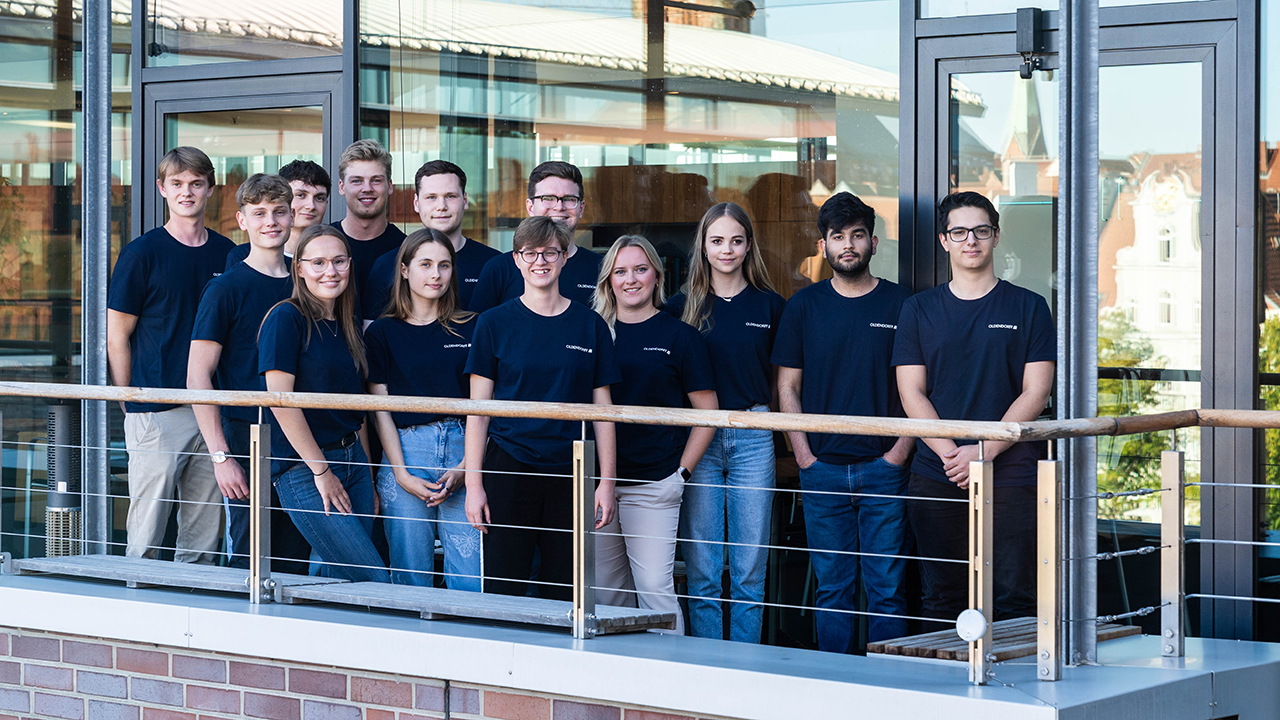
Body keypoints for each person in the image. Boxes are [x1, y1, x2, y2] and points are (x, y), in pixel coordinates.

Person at [892, 191, 1055, 627]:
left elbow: (1035, 393)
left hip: (1012, 470)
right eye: (960, 232)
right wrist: (953, 455)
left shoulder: (1029, 307)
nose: (971, 241)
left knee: (1015, 594)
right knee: (942, 596)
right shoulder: (918, 309)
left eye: (981, 231)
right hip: (938, 471)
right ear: (944, 240)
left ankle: (1018, 692)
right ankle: (945, 693)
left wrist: (982, 450)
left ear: (996, 237)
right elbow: (912, 393)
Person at [772, 192, 913, 651]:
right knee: (833, 590)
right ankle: (835, 687)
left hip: (884, 468)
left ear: (873, 243)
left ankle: (892, 691)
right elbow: (787, 386)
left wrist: (898, 453)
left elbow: (915, 388)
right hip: (823, 469)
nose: (847, 245)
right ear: (824, 246)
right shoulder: (804, 306)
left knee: (887, 591)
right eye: (838, 237)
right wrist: (804, 454)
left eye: (856, 235)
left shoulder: (902, 305)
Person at [463, 216, 620, 600]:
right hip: (508, 464)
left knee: (567, 590)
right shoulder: (493, 324)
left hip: (572, 468)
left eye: (550, 252)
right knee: (504, 583)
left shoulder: (590, 325)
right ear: (516, 259)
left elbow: (604, 411)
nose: (540, 261)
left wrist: (607, 482)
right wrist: (473, 484)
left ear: (565, 257)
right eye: (530, 253)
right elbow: (477, 411)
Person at [107, 146, 234, 564]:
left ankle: (192, 617)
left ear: (210, 189)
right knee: (147, 531)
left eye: (196, 183)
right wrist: (130, 400)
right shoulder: (142, 254)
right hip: (157, 410)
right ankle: (133, 617)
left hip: (212, 408)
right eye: (177, 184)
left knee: (203, 534)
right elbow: (117, 335)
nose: (187, 192)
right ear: (162, 188)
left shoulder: (227, 254)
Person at [667, 202, 785, 643]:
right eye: (717, 241)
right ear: (703, 245)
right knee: (703, 564)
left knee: (750, 563)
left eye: (736, 240)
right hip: (699, 439)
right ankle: (708, 664)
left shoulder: (772, 305)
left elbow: (782, 380)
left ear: (749, 245)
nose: (727, 250)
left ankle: (748, 664)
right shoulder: (681, 307)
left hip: (754, 434)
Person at [592, 235, 718, 634]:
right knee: (607, 593)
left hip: (654, 484)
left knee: (654, 590)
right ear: (609, 279)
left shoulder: (680, 337)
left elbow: (708, 413)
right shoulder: (592, 332)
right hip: (598, 486)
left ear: (657, 276)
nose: (631, 279)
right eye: (621, 271)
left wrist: (680, 474)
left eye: (640, 269)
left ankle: (670, 682)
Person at [189, 173, 312, 574]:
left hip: (306, 434)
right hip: (249, 437)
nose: (270, 221)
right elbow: (198, 376)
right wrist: (221, 456)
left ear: (292, 216)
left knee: (298, 554)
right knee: (249, 554)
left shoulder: (309, 278)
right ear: (242, 221)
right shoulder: (226, 288)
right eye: (258, 213)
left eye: (279, 211)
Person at [258, 224, 389, 583]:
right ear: (299, 268)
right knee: (371, 578)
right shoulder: (287, 318)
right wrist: (321, 471)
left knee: (334, 578)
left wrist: (367, 471)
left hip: (354, 463)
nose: (330, 271)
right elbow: (280, 402)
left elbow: (354, 407)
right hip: (304, 469)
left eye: (339, 261)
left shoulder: (346, 324)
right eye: (318, 262)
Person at [365, 229, 482, 590]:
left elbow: (483, 406)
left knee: (470, 571)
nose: (436, 275)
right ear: (404, 270)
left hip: (464, 448)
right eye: (426, 264)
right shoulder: (382, 332)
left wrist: (467, 468)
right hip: (405, 448)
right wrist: (399, 473)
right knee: (409, 572)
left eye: (444, 266)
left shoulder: (473, 326)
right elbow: (379, 408)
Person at [362, 160, 499, 319]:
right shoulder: (387, 266)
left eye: (450, 196)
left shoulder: (493, 264)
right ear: (416, 203)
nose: (441, 206)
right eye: (431, 197)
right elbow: (372, 336)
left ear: (465, 200)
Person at [468, 161, 603, 312]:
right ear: (530, 207)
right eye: (548, 198)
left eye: (569, 199)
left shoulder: (602, 269)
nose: (559, 207)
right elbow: (480, 331)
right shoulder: (499, 270)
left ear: (581, 208)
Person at [330, 139, 405, 302]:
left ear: (390, 186)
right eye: (357, 181)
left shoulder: (405, 250)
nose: (367, 188)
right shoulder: (322, 245)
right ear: (342, 187)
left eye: (376, 180)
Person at [224, 160, 331, 270]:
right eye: (300, 195)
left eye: (319, 198)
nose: (311, 206)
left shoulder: (332, 254)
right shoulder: (242, 256)